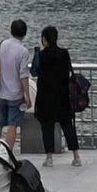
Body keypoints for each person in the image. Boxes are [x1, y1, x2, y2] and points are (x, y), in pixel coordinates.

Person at [32, 24, 84, 163]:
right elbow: (69, 70)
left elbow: (34, 72)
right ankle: (76, 156)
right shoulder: (64, 53)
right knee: (67, 126)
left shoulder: (41, 55)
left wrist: (36, 54)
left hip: (45, 96)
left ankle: (49, 158)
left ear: (44, 39)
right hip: (63, 96)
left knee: (47, 127)